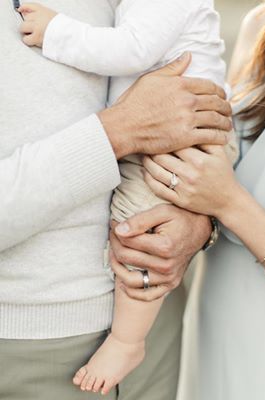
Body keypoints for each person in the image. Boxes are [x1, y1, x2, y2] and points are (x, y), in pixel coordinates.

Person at [0, 1, 233, 399]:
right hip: (34, 342)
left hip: (156, 324)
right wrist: (119, 131)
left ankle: (128, 340)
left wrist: (199, 222)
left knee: (141, 219)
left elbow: (221, 113)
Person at [140, 1, 265, 399]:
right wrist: (197, 222)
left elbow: (228, 194)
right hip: (219, 346)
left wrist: (230, 205)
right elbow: (232, 164)